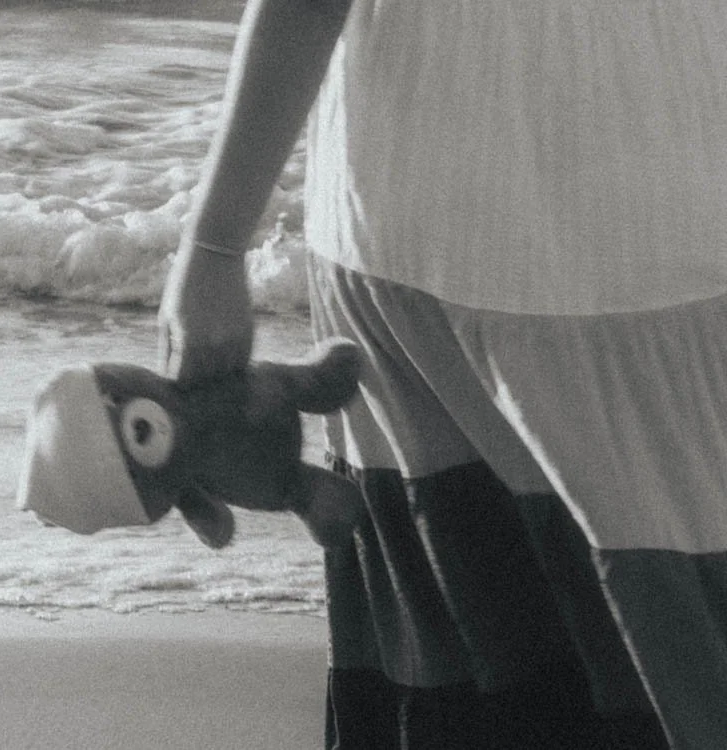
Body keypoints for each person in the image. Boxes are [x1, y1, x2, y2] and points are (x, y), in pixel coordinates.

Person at [158, 1, 727, 748]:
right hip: (650, 213)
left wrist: (215, 246)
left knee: (467, 655)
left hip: (418, 207)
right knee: (673, 637)